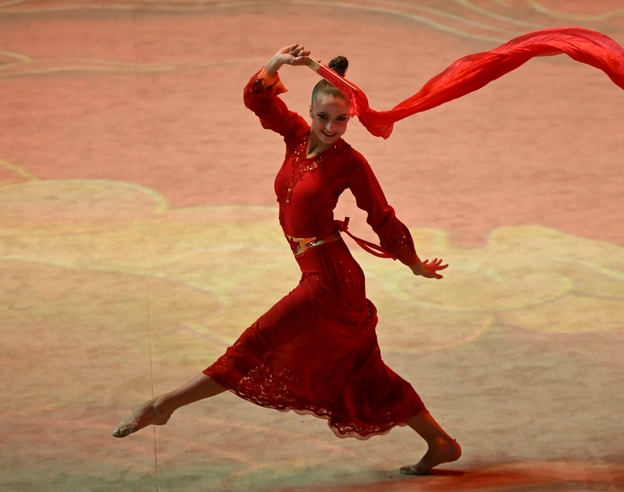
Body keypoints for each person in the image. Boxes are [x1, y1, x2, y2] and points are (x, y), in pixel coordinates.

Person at [112, 43, 461, 476]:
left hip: (331, 282)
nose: (331, 127)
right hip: (317, 270)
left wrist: (414, 264)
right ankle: (440, 442)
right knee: (363, 371)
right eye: (323, 117)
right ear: (310, 113)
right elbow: (258, 100)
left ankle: (163, 405)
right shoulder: (295, 136)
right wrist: (277, 62)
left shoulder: (351, 162)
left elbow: (382, 217)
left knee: (255, 343)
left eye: (341, 120)